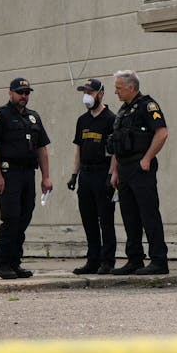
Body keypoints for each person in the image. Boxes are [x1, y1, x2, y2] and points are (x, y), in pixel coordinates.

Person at [0, 77, 53, 279]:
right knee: (11, 217)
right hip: (8, 173)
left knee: (24, 216)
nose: (24, 96)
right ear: (10, 92)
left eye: (27, 93)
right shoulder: (0, 115)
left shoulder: (33, 117)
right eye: (20, 92)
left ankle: (15, 262)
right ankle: (2, 263)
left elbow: (42, 148)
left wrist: (46, 177)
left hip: (27, 174)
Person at [108, 69, 168, 275]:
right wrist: (114, 172)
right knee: (129, 215)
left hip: (141, 168)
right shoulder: (123, 111)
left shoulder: (148, 106)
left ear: (131, 87)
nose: (115, 92)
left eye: (118, 88)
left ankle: (159, 260)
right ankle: (134, 259)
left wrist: (147, 158)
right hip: (124, 169)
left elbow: (162, 133)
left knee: (148, 214)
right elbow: (117, 143)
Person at [68, 78, 117, 275]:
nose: (87, 96)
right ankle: (93, 260)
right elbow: (78, 148)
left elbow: (115, 152)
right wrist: (74, 174)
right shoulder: (82, 120)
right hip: (86, 175)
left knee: (105, 219)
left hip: (102, 173)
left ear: (101, 94)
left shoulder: (111, 119)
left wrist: (111, 175)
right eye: (84, 92)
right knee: (88, 219)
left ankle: (108, 261)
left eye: (91, 92)